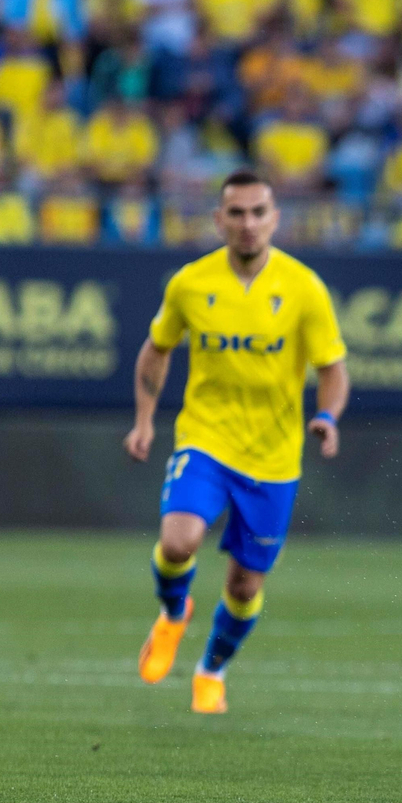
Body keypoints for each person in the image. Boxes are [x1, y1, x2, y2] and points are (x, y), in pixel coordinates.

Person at [127, 170, 349, 714]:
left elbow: (333, 368)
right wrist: (144, 419)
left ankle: (211, 669)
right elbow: (156, 349)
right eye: (236, 213)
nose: (247, 224)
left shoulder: (303, 287)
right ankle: (174, 612)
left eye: (258, 212)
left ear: (274, 218)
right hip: (205, 438)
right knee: (178, 541)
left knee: (246, 586)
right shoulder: (189, 283)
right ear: (218, 220)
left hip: (274, 457)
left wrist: (327, 415)